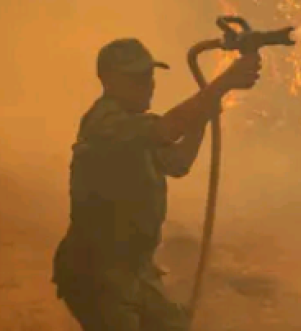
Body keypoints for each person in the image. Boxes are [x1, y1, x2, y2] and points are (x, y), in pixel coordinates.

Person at [52, 38, 262, 330]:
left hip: (134, 270)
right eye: (138, 78)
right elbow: (167, 129)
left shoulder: (136, 128)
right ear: (109, 80)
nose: (149, 85)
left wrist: (203, 115)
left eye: (149, 76)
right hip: (96, 272)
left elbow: (178, 163)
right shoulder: (105, 124)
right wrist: (222, 85)